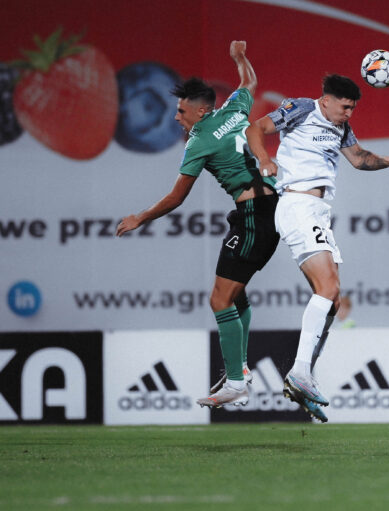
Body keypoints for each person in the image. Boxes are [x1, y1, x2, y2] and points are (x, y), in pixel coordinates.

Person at [116, 41, 286, 411]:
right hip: (266, 209)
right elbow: (249, 82)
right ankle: (239, 368)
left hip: (255, 214)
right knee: (234, 294)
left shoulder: (199, 140)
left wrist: (139, 218)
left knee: (219, 299)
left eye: (181, 111)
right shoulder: (235, 110)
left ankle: (237, 382)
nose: (176, 117)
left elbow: (177, 197)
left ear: (201, 109)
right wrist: (240, 57)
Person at [248, 74, 389, 420]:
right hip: (297, 205)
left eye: (353, 107)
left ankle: (304, 376)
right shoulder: (303, 109)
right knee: (329, 287)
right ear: (326, 101)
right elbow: (255, 129)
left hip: (318, 212)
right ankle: (300, 372)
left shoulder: (340, 128)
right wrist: (264, 159)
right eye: (345, 106)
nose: (349, 113)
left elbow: (359, 158)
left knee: (334, 302)